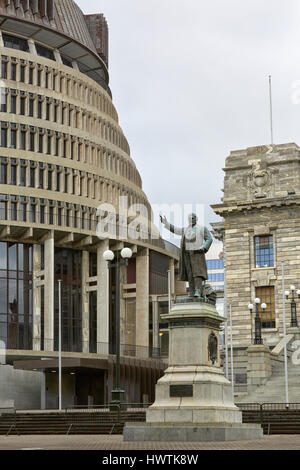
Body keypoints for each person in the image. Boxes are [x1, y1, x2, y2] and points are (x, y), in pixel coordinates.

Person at [160, 213, 212, 298]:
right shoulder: (185, 229)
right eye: (190, 219)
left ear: (196, 218)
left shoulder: (202, 228)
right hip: (187, 254)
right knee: (190, 273)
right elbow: (176, 230)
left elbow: (209, 239)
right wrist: (166, 223)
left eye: (193, 218)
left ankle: (198, 291)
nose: (191, 220)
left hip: (197, 253)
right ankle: (192, 293)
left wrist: (203, 247)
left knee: (197, 273)